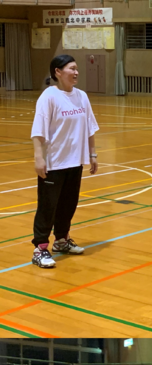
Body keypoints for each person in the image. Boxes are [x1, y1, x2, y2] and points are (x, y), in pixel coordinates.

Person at [31, 54, 98, 268]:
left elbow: (90, 128)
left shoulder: (82, 96)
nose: (76, 72)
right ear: (58, 72)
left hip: (75, 162)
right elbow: (38, 131)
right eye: (72, 68)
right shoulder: (49, 97)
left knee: (68, 205)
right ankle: (40, 248)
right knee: (48, 207)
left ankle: (61, 240)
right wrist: (39, 158)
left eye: (77, 68)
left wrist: (92, 154)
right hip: (54, 163)